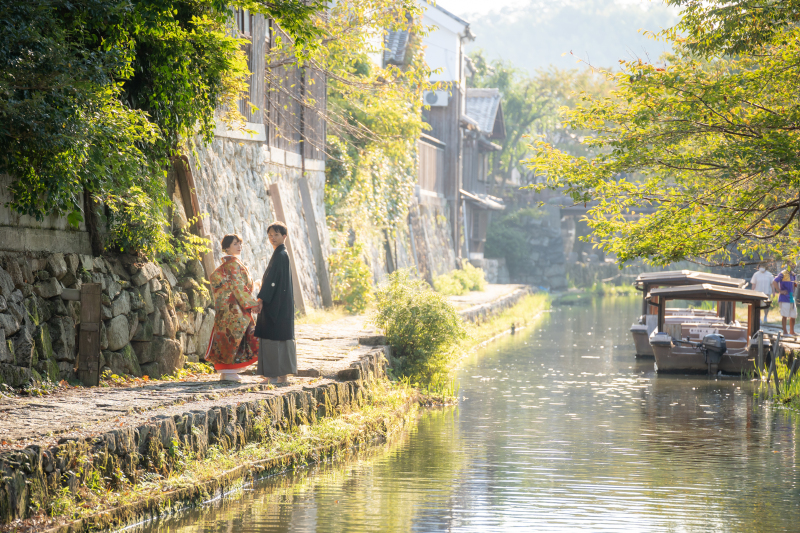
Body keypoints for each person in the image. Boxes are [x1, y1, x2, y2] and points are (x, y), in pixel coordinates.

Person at [205, 234, 263, 381]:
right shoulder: (232, 264)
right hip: (234, 309)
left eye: (240, 243)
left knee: (231, 339)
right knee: (235, 338)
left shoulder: (231, 264)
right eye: (235, 244)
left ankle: (227, 372)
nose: (239, 246)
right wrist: (253, 304)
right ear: (227, 248)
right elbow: (238, 286)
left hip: (230, 308)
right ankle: (229, 372)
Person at [254, 222, 296, 384]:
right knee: (282, 338)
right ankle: (282, 376)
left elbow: (272, 281)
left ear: (284, 236)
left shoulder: (280, 255)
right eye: (270, 235)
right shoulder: (282, 254)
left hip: (275, 304)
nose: (272, 238)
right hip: (281, 304)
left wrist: (261, 299)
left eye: (276, 235)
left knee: (271, 337)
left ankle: (272, 376)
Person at [773, 263, 797, 336]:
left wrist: (794, 291)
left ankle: (792, 331)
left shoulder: (793, 274)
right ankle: (785, 332)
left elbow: (795, 285)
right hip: (784, 297)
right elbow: (774, 281)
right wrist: (780, 291)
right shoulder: (783, 273)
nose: (794, 266)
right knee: (785, 315)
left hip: (791, 297)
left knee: (793, 315)